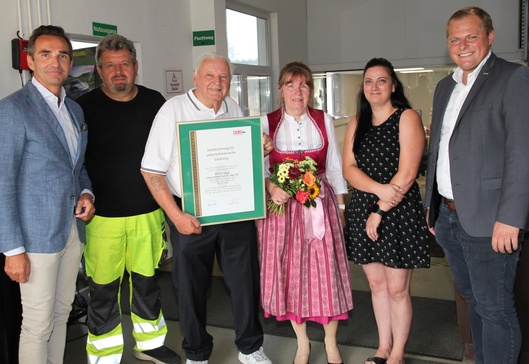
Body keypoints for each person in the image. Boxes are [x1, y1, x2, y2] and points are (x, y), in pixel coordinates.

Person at [424, 7, 529, 364]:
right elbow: (440, 151)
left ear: (490, 37)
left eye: (471, 36)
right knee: (473, 301)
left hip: (492, 221)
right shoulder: (446, 86)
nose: (462, 45)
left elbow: (524, 153)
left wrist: (510, 218)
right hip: (448, 218)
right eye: (454, 39)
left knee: (495, 310)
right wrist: (432, 208)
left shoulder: (515, 78)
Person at [140, 52, 273, 364]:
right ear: (195, 77)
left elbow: (241, 160)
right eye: (210, 76)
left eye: (224, 77)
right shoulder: (172, 110)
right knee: (189, 288)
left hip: (235, 212)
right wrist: (176, 216)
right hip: (190, 215)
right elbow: (150, 170)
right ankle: (197, 353)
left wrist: (260, 146)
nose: (217, 83)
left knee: (244, 282)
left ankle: (250, 348)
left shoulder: (234, 107)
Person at [0, 25, 96, 364]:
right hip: (33, 240)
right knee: (36, 324)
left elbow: (77, 167)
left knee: (61, 314)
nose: (55, 62)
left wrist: (87, 193)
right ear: (30, 61)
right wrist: (12, 249)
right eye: (45, 54)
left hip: (70, 232)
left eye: (63, 55)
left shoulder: (73, 110)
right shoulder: (12, 110)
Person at [76, 34, 181, 364]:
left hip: (148, 214)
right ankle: (104, 355)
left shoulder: (156, 104)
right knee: (103, 289)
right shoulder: (83, 108)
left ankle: (149, 345)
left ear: (136, 67)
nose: (118, 71)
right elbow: (73, 162)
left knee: (147, 284)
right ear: (99, 70)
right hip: (102, 219)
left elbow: (174, 152)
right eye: (110, 66)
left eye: (124, 64)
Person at [258, 61, 353, 364]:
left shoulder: (323, 120)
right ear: (280, 90)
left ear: (311, 89)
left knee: (328, 273)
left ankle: (330, 342)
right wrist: (270, 187)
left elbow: (335, 168)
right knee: (291, 275)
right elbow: (256, 167)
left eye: (304, 85)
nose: (298, 92)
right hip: (282, 211)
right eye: (291, 85)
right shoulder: (265, 121)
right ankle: (302, 343)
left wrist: (340, 208)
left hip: (319, 207)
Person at [343, 57, 430, 364]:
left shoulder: (407, 118)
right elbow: (348, 169)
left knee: (397, 288)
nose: (374, 87)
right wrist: (378, 191)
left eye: (381, 80)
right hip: (366, 207)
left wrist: (380, 208)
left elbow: (407, 174)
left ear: (393, 85)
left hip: (397, 211)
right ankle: (382, 347)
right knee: (376, 284)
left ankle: (397, 354)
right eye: (369, 81)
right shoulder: (356, 122)